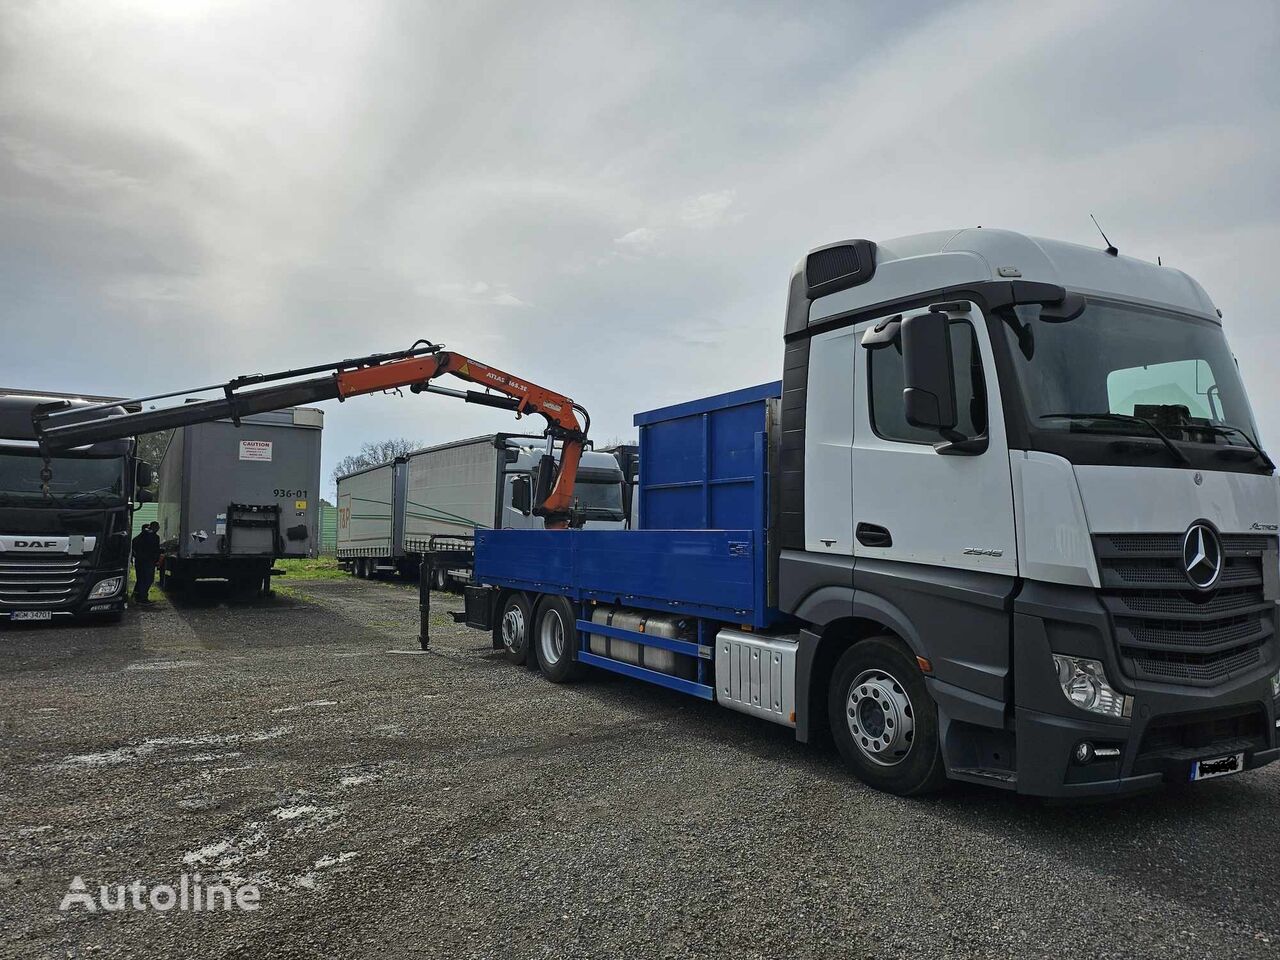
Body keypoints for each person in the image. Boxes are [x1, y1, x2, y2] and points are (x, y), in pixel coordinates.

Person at [131, 521, 161, 605]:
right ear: (155, 527)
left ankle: (137, 596)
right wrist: (156, 559)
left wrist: (136, 555)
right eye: (158, 527)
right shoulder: (154, 537)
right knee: (148, 579)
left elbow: (133, 546)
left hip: (139, 561)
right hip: (148, 561)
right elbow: (155, 550)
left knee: (140, 579)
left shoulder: (139, 536)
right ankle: (142, 598)